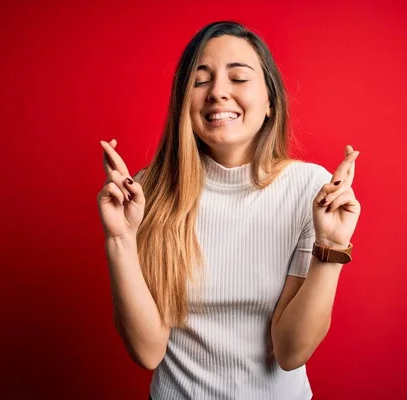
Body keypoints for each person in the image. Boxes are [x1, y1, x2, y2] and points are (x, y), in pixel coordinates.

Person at [97, 21, 361, 400]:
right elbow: (147, 352)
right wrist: (120, 238)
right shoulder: (146, 191)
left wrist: (331, 248)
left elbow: (291, 352)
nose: (218, 92)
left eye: (238, 78)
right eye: (200, 81)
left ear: (270, 102)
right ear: (182, 102)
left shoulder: (308, 190)